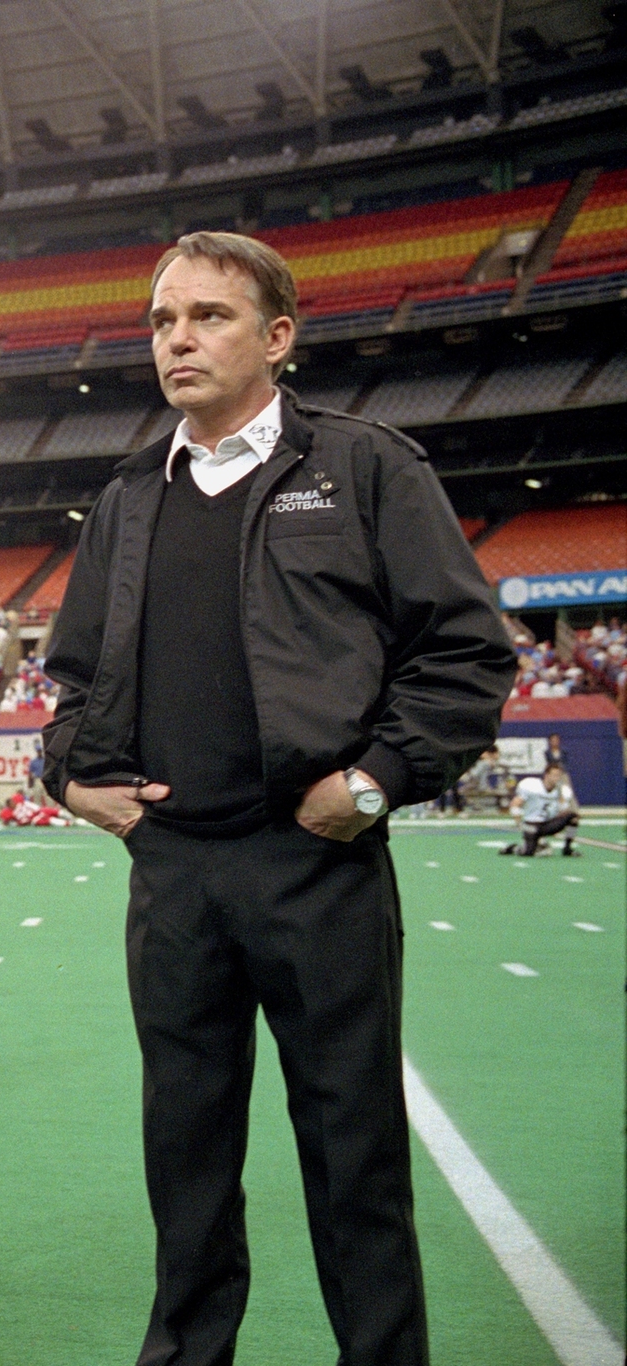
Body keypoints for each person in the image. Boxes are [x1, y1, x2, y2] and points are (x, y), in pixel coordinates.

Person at [42, 231, 514, 1366]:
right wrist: (70, 777)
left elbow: (464, 653)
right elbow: (68, 675)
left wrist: (373, 780)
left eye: (206, 315)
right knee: (185, 1161)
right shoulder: (123, 495)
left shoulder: (362, 467)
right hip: (173, 873)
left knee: (353, 1159)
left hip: (315, 866)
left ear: (277, 336)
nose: (177, 339)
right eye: (160, 321)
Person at [504, 761, 579, 856]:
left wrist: (561, 802)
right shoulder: (532, 786)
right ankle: (513, 848)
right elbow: (515, 804)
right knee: (528, 852)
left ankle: (567, 849)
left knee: (573, 817)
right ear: (546, 775)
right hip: (532, 824)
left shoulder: (561, 790)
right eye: (554, 775)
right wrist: (520, 824)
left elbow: (563, 810)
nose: (557, 778)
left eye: (559, 775)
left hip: (547, 824)